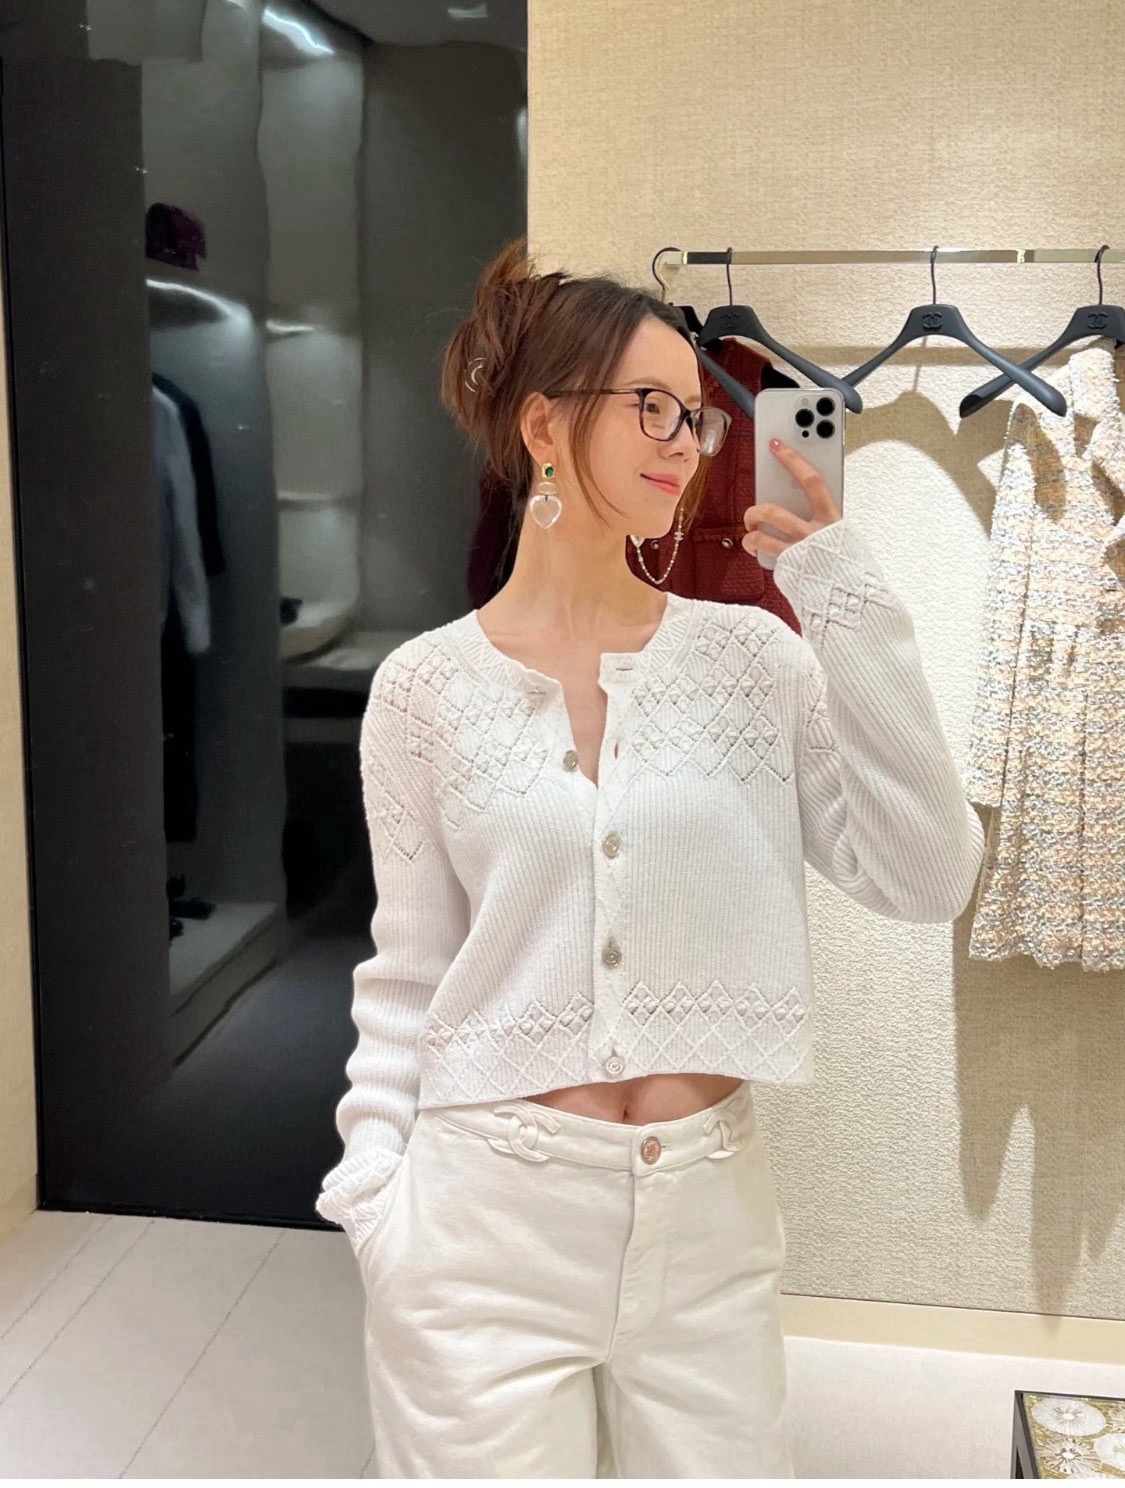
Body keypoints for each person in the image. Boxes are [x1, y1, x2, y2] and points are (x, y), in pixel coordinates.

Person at [316, 239, 986, 1478]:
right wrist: (373, 1202)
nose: (689, 441)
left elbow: (929, 873)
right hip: (481, 1224)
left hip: (708, 1224)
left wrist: (840, 592)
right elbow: (406, 974)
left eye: (697, 414)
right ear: (543, 427)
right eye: (653, 406)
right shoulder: (422, 691)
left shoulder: (756, 660)